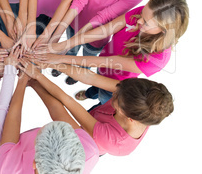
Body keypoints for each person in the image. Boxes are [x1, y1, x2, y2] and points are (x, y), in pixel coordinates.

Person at [33, 0, 189, 105]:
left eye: (146, 23)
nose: (139, 20)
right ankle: (89, 93)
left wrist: (58, 58)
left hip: (116, 83)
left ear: (163, 30)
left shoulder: (156, 59)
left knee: (103, 100)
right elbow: (106, 29)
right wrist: (64, 44)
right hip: (102, 64)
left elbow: (110, 62)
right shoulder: (145, 14)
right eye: (142, 14)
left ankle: (95, 99)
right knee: (93, 86)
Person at [19, 59, 174, 157]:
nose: (114, 94)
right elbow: (90, 77)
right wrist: (50, 62)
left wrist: (36, 79)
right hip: (99, 118)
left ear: (129, 117)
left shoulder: (112, 140)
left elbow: (64, 103)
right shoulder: (136, 98)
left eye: (116, 99)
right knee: (92, 112)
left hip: (85, 143)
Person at [0, 62, 99, 173]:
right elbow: (58, 112)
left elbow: (12, 119)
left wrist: (22, 81)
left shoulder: (8, 169)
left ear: (34, 163)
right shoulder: (89, 152)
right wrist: (34, 82)